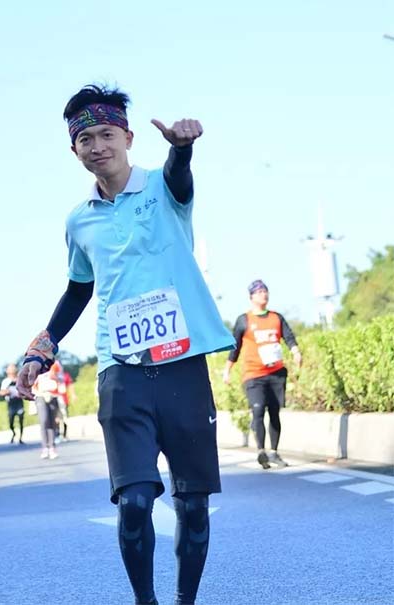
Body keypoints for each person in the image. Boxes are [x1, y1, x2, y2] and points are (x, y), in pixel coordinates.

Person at [17, 84, 234, 605]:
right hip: (121, 371)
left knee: (193, 506)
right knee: (134, 502)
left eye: (106, 134)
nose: (97, 146)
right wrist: (41, 349)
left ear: (128, 138)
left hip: (182, 365)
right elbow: (78, 289)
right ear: (74, 150)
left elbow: (180, 177)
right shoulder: (79, 220)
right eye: (85, 139)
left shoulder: (163, 187)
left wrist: (182, 149)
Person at [223, 279, 302, 469]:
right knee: (258, 410)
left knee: (274, 412)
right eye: (259, 292)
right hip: (253, 374)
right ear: (251, 297)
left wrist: (295, 351)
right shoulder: (244, 320)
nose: (263, 294)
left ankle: (274, 452)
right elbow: (235, 347)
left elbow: (288, 336)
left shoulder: (276, 318)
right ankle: (261, 451)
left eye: (265, 291)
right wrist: (227, 370)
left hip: (276, 372)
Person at [32, 367, 59, 460]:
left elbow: (59, 377)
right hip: (40, 395)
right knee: (44, 420)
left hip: (52, 394)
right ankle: (45, 447)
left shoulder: (54, 364)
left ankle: (52, 447)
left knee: (52, 421)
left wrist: (53, 375)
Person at [0, 364, 25, 444]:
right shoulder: (5, 381)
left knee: (21, 418)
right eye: (10, 369)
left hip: (19, 401)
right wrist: (7, 392)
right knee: (11, 420)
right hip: (11, 402)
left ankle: (20, 437)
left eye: (13, 369)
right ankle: (13, 432)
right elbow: (1, 392)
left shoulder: (20, 379)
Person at [51, 359, 76, 441]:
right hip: (54, 399)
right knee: (56, 417)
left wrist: (73, 395)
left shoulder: (65, 375)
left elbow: (70, 385)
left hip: (64, 399)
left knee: (65, 417)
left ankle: (65, 434)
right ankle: (57, 434)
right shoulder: (51, 376)